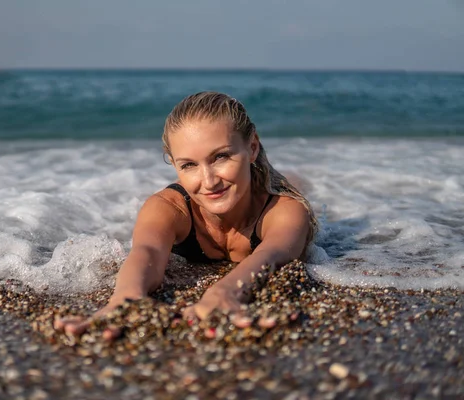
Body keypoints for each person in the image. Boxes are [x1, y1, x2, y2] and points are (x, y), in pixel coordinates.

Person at [55, 91, 318, 339]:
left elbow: (270, 255)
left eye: (221, 157)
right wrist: (125, 300)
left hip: (270, 192)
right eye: (189, 165)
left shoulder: (284, 210)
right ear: (174, 164)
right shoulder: (168, 208)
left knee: (298, 183)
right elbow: (146, 252)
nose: (209, 181)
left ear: (252, 148)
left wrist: (224, 293)